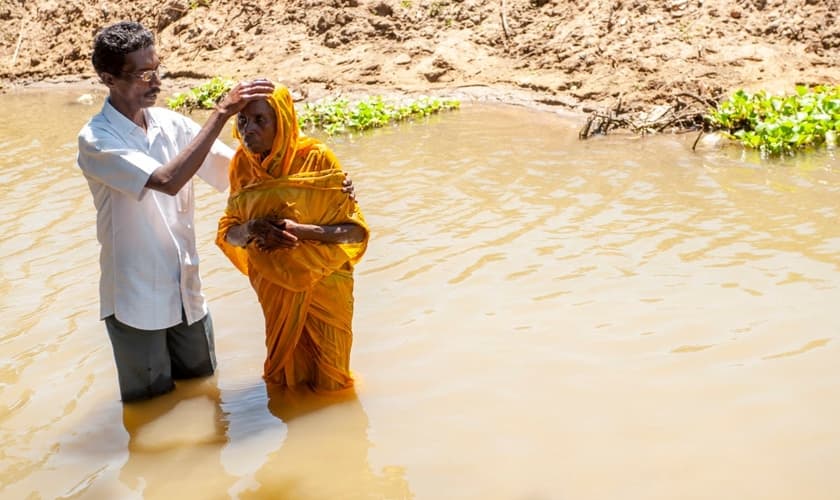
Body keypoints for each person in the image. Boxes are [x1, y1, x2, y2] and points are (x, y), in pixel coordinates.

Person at [76, 21, 353, 402]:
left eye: (158, 68)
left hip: (187, 293)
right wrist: (221, 113)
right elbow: (167, 179)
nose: (156, 81)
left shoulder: (170, 124)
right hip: (136, 299)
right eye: (144, 74)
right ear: (108, 78)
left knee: (206, 399)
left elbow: (246, 173)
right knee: (150, 407)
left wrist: (323, 183)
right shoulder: (97, 139)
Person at [216, 85, 369, 392]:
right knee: (285, 379)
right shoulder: (242, 166)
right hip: (276, 287)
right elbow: (229, 234)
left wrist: (298, 231)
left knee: (333, 380)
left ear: (283, 121)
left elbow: (354, 232)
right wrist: (253, 229)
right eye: (243, 121)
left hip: (326, 284)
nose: (249, 130)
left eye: (261, 120)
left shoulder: (317, 159)